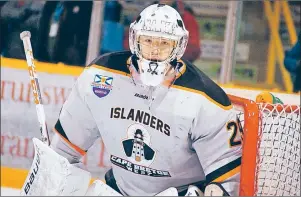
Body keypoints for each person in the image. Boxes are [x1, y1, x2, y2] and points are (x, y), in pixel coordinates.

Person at [22, 4, 241, 196]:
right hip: (119, 189)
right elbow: (65, 152)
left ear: (179, 46)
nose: (155, 50)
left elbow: (228, 178)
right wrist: (50, 177)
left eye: (164, 43)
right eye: (148, 41)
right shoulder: (100, 77)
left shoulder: (206, 99)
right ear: (135, 40)